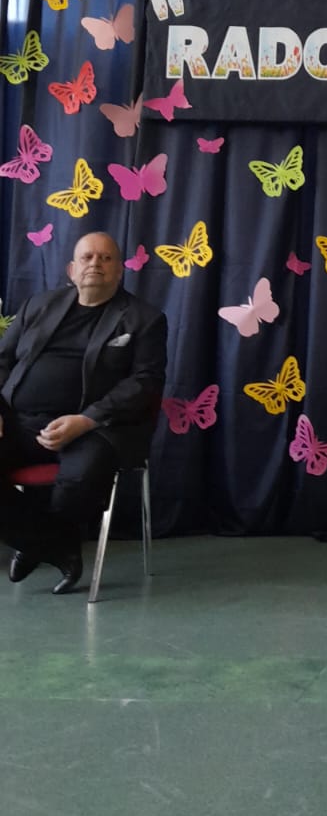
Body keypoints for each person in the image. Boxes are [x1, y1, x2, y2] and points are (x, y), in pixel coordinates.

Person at [0, 231, 167, 594]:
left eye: (106, 258)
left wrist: (86, 419)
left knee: (78, 481)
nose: (96, 264)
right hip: (19, 422)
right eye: (88, 257)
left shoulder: (144, 319)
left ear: (119, 270)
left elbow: (145, 382)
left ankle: (36, 542)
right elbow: (2, 361)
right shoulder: (37, 306)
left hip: (95, 428)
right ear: (72, 269)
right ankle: (53, 545)